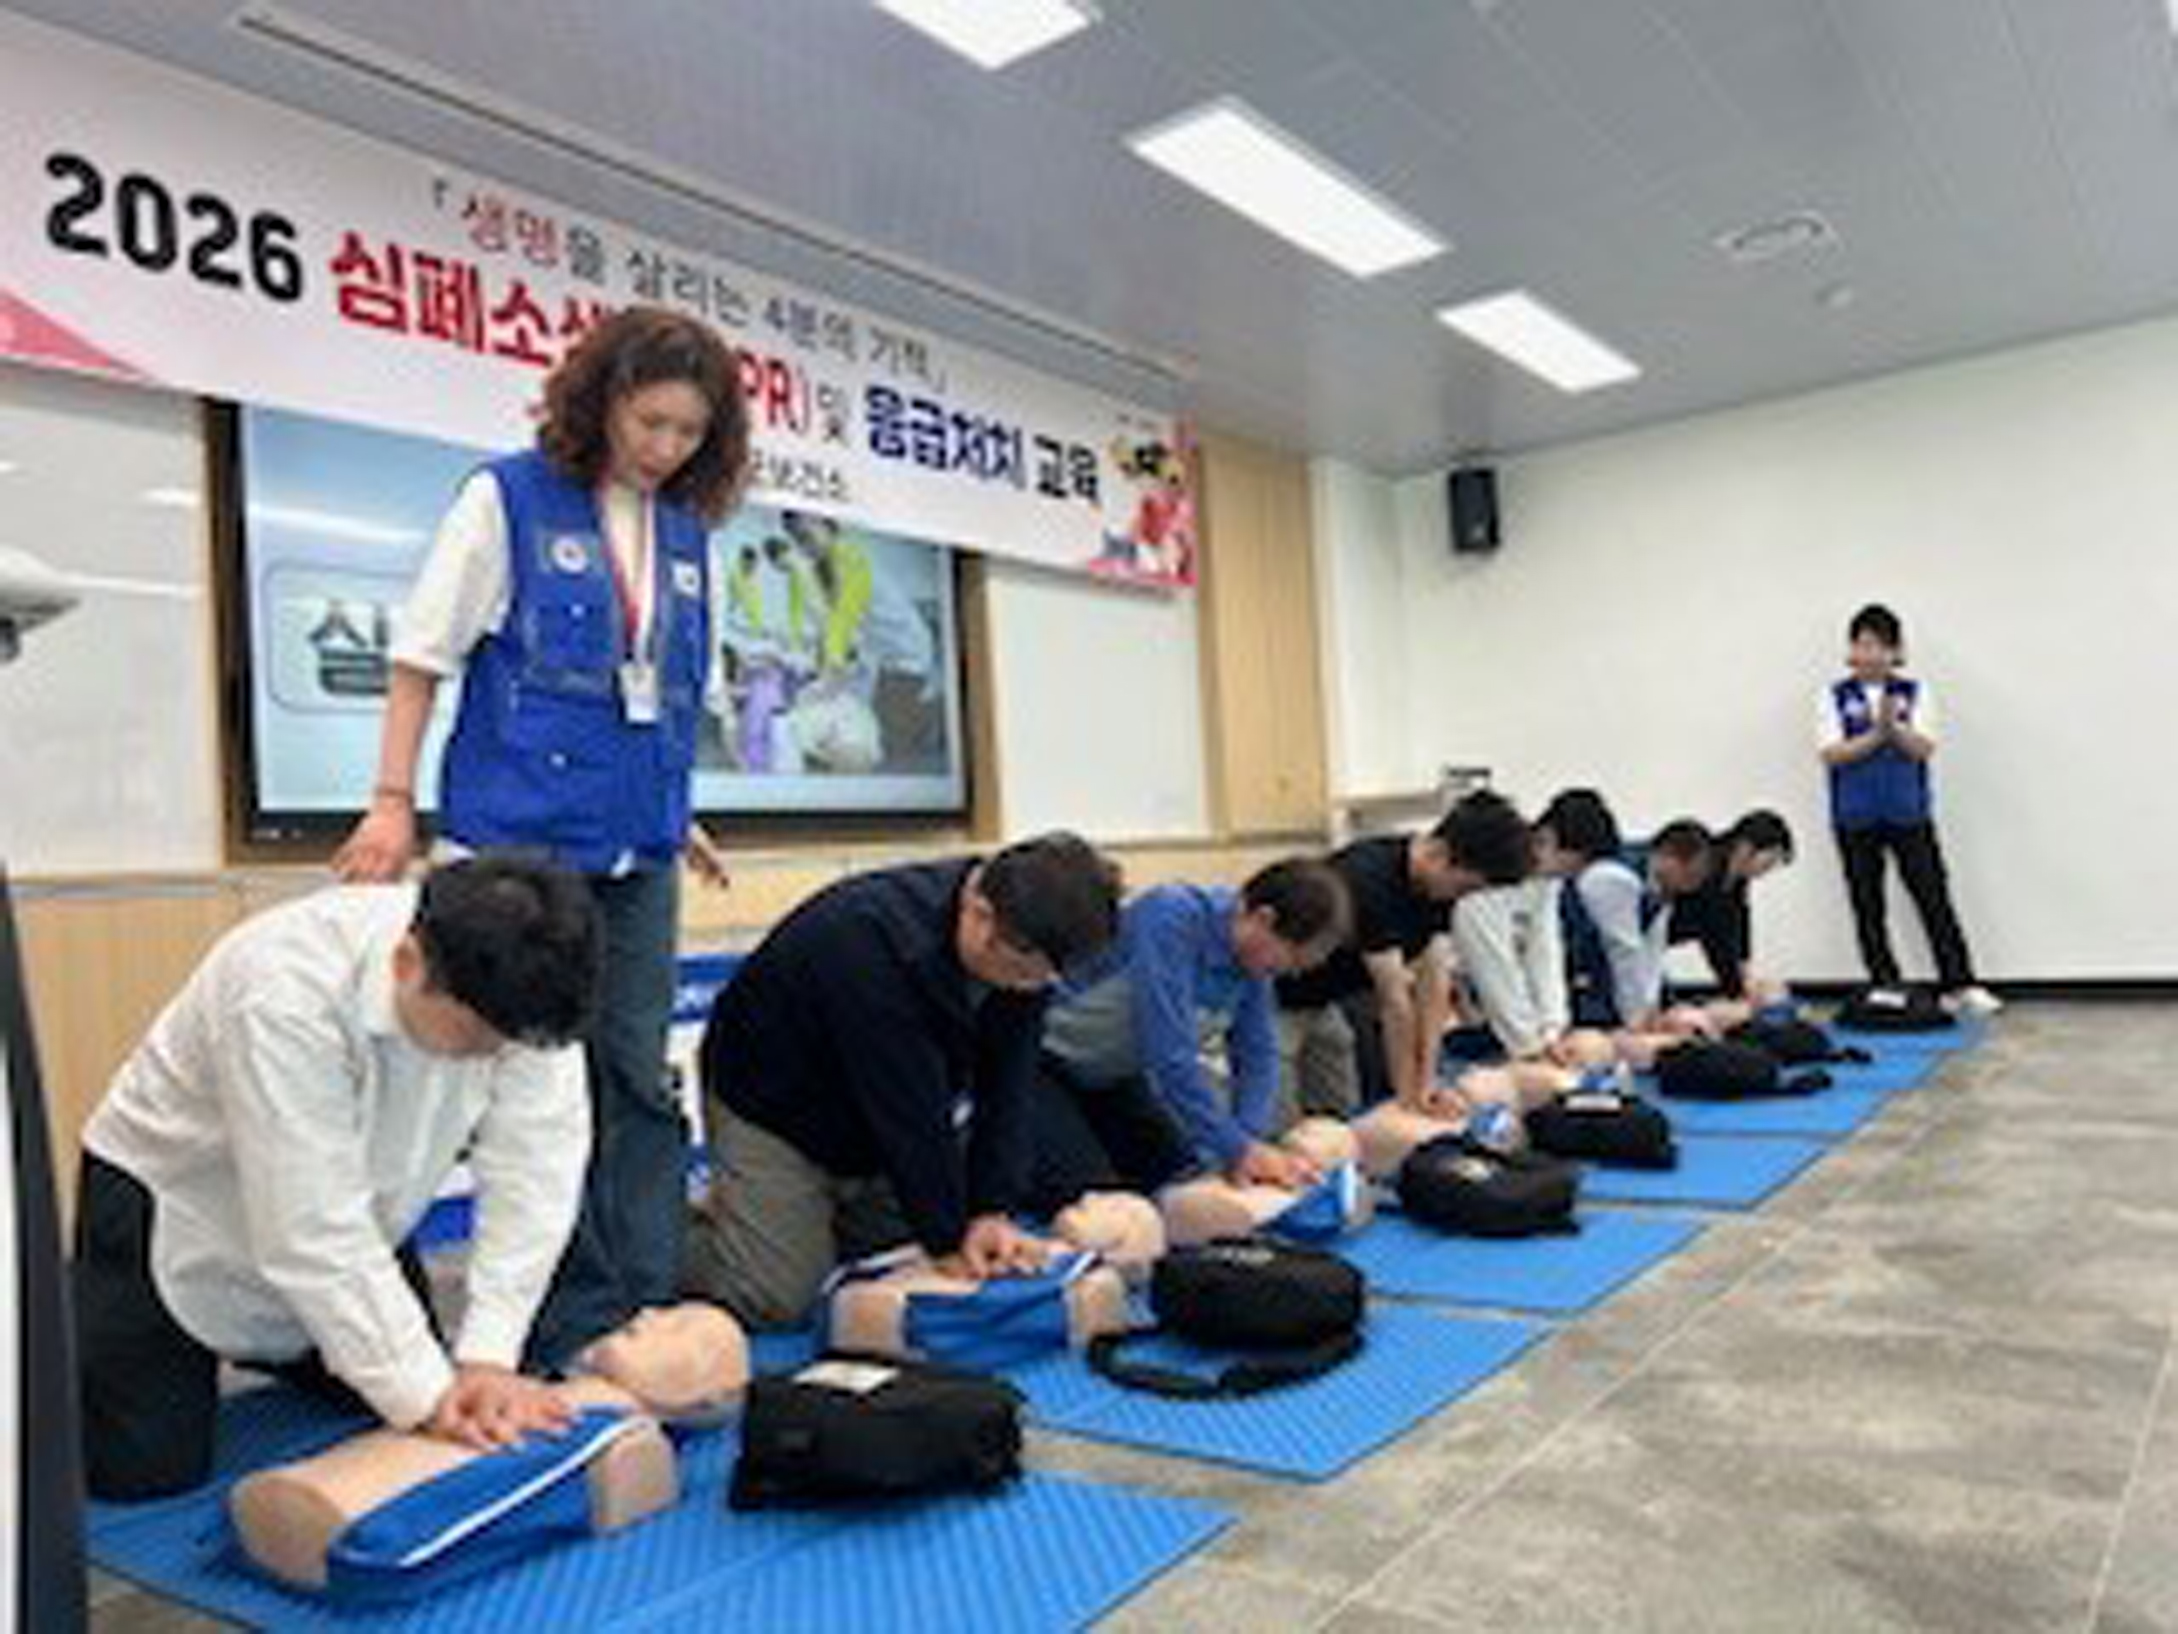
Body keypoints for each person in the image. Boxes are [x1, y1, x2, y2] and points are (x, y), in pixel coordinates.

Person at [332, 307, 750, 1368]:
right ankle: (570, 1320)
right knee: (537, 1085)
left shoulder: (686, 533)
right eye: (649, 421)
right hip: (523, 850)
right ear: (601, 400)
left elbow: (651, 695)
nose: (665, 448)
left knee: (638, 1079)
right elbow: (422, 658)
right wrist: (391, 801)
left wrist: (677, 813)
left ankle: (646, 1297)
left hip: (639, 850)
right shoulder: (507, 499)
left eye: (688, 432)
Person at [73, 857, 601, 1500]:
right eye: (477, 1043)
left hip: (363, 1210)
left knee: (404, 1392)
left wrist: (488, 1355)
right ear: (408, 963)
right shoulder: (281, 986)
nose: (495, 1057)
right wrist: (431, 1399)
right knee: (144, 1473)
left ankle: (300, 1349)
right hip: (178, 1202)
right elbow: (309, 1228)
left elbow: (536, 1172)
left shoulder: (530, 992)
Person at [683, 833, 1121, 1328]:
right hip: (775, 1107)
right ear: (980, 915)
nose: (1031, 989)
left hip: (867, 1127)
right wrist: (948, 1243)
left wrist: (991, 1210)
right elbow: (909, 1114)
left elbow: (1009, 1088)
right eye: (1024, 974)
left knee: (895, 1248)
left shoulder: (1028, 933)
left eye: (1042, 980)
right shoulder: (869, 938)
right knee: (776, 1295)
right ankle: (656, 1234)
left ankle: (774, 1217)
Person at [1028, 857, 1351, 1211]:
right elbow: (1169, 1054)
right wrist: (1236, 1147)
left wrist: (1248, 1141)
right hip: (1040, 1067)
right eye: (1290, 961)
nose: (1288, 973)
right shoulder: (1172, 917)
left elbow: (1257, 1053)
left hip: (1112, 1078)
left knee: (1182, 1176)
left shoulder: (1254, 963)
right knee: (1098, 1201)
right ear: (1263, 919)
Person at [1275, 791, 1534, 1115]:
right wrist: (1408, 1101)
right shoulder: (1369, 879)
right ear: (1440, 854)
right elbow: (1394, 1002)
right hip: (1276, 995)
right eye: (1464, 888)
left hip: (1326, 999)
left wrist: (1426, 1082)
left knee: (1339, 1108)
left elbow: (1434, 984)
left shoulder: (1439, 890)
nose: (1461, 897)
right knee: (1279, 1117)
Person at [1819, 603, 2000, 1014]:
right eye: (1862, 644)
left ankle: (1959, 983)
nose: (1870, 654)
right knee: (1868, 905)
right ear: (1851, 650)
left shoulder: (1916, 693)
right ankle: (1884, 984)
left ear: (1896, 651)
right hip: (1854, 815)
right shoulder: (1832, 696)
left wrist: (1894, 729)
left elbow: (1923, 748)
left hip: (1908, 812)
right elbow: (1831, 753)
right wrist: (1877, 733)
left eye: (1879, 645)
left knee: (1933, 897)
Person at [1540, 791, 1713, 1031]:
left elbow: (1652, 952)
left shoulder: (1660, 887)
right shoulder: (1615, 878)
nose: (1692, 886)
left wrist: (1654, 1009)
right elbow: (1624, 950)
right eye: (1690, 875)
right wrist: (1638, 1021)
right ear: (1668, 857)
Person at [1448, 863, 1571, 1065]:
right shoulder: (1481, 889)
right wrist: (1528, 1045)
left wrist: (1552, 1027)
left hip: (1494, 1015)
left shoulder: (1547, 881)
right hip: (1459, 997)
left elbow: (1545, 950)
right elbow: (1493, 968)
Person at [1666, 809, 1795, 998]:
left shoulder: (1735, 880)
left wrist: (1744, 975)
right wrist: (1739, 991)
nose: (1768, 869)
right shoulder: (1704, 865)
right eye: (1769, 861)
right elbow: (1715, 937)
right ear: (1746, 848)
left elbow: (1738, 923)